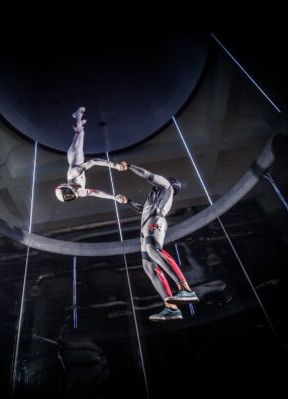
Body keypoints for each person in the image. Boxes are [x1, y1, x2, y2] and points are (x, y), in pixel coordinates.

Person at [120, 163, 199, 321]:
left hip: (155, 220)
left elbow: (146, 174)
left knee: (153, 250)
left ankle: (185, 289)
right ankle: (171, 308)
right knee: (148, 266)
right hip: (146, 225)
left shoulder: (166, 185)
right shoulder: (153, 200)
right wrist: (128, 201)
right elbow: (143, 210)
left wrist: (129, 166)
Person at [55, 107, 128, 204]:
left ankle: (78, 115)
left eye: (74, 189)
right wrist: (114, 197)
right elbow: (96, 193)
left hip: (75, 155)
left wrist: (116, 166)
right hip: (75, 158)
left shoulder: (74, 173)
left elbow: (94, 161)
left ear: (69, 186)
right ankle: (77, 125)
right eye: (75, 193)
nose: (77, 190)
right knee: (79, 133)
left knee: (80, 133)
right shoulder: (79, 193)